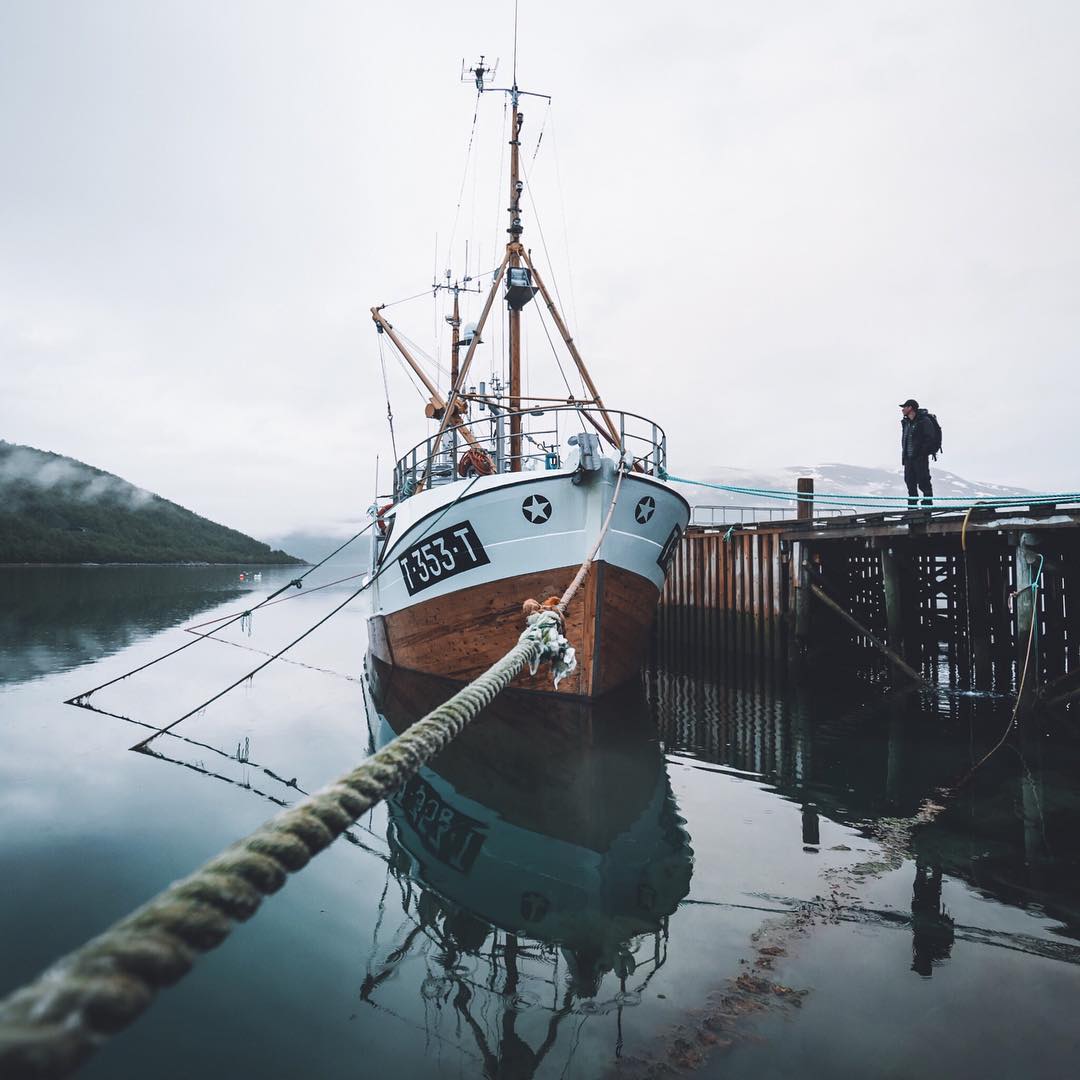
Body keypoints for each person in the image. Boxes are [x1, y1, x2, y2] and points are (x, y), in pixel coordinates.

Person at [900, 398, 934, 507]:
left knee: (924, 481)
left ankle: (927, 506)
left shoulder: (924, 421)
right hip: (908, 459)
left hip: (920, 459)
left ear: (910, 408)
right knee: (910, 482)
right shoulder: (906, 423)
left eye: (904, 407)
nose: (902, 410)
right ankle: (912, 507)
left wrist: (921, 453)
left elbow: (930, 438)